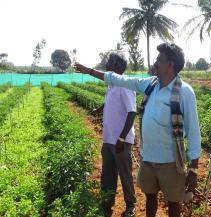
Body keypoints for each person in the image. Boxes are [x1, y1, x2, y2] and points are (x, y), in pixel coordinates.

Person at [74, 43, 201, 217]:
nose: (155, 63)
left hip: (171, 162)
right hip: (148, 158)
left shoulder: (185, 92)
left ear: (170, 64)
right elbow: (120, 79)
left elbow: (194, 133)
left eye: (159, 60)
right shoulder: (150, 84)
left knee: (173, 204)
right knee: (150, 198)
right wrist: (89, 71)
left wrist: (194, 170)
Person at [77, 53, 137, 217]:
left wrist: (122, 138)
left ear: (117, 67)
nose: (106, 63)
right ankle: (106, 203)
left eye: (110, 61)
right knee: (108, 174)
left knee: (125, 175)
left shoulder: (125, 85)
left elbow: (132, 112)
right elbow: (111, 101)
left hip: (121, 141)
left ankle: (131, 206)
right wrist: (100, 109)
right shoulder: (112, 85)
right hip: (108, 138)